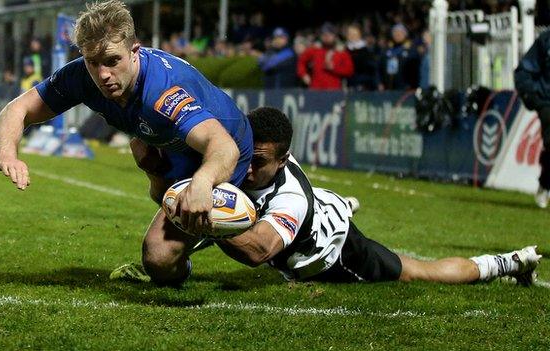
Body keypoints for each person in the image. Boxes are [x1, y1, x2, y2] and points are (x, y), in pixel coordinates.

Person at [0, 0, 253, 286]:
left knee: (161, 257)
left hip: (226, 151)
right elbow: (18, 109)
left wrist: (202, 182)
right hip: (171, 144)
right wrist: (8, 153)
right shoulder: (81, 75)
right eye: (93, 62)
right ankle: (191, 240)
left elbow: (223, 145)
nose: (103, 74)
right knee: (143, 155)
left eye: (112, 61)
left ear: (134, 51)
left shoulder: (162, 92)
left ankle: (267, 214)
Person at [212, 107, 540, 285]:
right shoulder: (242, 149)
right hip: (321, 205)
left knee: (418, 272)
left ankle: (507, 262)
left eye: (259, 162)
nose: (248, 169)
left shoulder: (291, 198)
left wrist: (206, 221)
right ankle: (343, 204)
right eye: (245, 156)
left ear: (283, 160)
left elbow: (258, 250)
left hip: (335, 250)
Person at [514, 30, 550, 209]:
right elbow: (523, 71)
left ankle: (545, 181)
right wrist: (533, 95)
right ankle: (545, 183)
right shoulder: (546, 41)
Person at [297, 23, 354, 90]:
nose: (327, 37)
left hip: (334, 91)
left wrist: (334, 68)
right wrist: (303, 75)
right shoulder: (314, 49)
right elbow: (301, 61)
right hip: (315, 90)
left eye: (330, 35)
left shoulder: (341, 51)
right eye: (324, 35)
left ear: (334, 36)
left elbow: (350, 71)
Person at [378, 24, 420, 91]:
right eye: (395, 33)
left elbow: (415, 71)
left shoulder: (411, 50)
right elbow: (379, 67)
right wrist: (379, 82)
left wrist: (411, 85)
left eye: (400, 33)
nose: (397, 35)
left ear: (405, 34)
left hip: (405, 88)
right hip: (387, 87)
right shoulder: (387, 50)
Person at [345, 24, 379, 91]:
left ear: (359, 35)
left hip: (364, 85)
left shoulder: (367, 50)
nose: (352, 36)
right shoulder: (345, 50)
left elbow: (372, 69)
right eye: (350, 34)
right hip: (349, 84)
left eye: (354, 34)